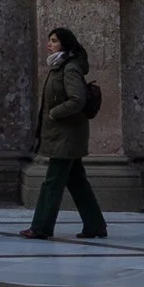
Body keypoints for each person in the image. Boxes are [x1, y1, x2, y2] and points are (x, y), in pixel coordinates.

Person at [27, 27, 109, 242]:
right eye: (49, 40)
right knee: (77, 181)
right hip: (64, 134)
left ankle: (41, 227)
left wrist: (54, 113)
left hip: (67, 136)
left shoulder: (70, 68)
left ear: (64, 44)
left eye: (53, 41)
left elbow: (77, 99)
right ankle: (95, 225)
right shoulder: (59, 66)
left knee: (52, 182)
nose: (49, 44)